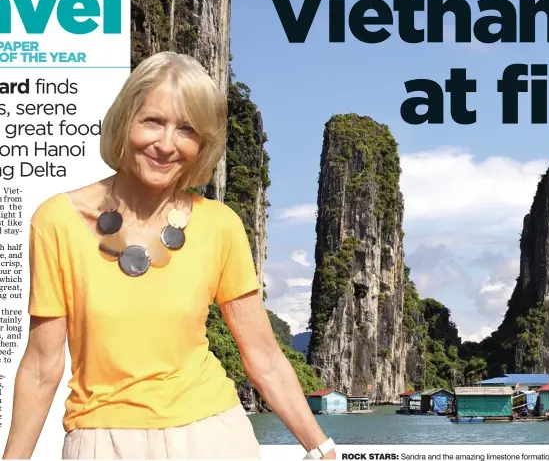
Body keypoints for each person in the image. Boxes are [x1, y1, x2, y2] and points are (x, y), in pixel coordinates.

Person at [2, 52, 336, 460]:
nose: (166, 145)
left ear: (203, 144)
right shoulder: (57, 220)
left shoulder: (220, 226)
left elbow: (264, 355)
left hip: (215, 435)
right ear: (125, 121)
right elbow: (41, 365)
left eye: (187, 130)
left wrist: (321, 448)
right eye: (153, 122)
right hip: (102, 439)